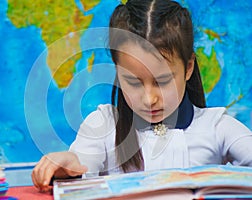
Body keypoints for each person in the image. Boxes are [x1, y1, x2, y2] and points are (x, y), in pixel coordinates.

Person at [32, 0, 252, 192]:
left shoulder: (217, 127)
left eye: (163, 81)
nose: (149, 99)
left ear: (188, 67)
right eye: (133, 82)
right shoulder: (103, 125)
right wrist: (66, 165)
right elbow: (81, 162)